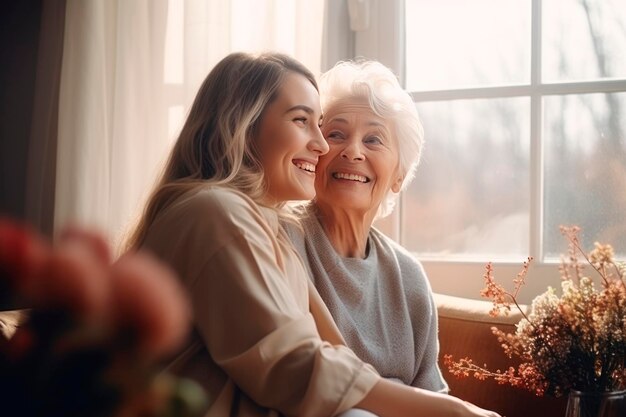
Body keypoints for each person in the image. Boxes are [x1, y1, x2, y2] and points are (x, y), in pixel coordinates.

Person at [124, 51, 500, 417]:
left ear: (399, 175)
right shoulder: (233, 219)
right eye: (322, 129)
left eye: (373, 140)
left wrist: (449, 407)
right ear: (245, 125)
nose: (325, 147)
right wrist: (453, 410)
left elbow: (338, 365)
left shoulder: (402, 273)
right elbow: (300, 367)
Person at [284, 60, 447, 391]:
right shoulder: (283, 241)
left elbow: (434, 396)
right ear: (314, 152)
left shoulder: (409, 276)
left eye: (374, 140)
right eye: (336, 135)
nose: (353, 151)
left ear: (399, 175)